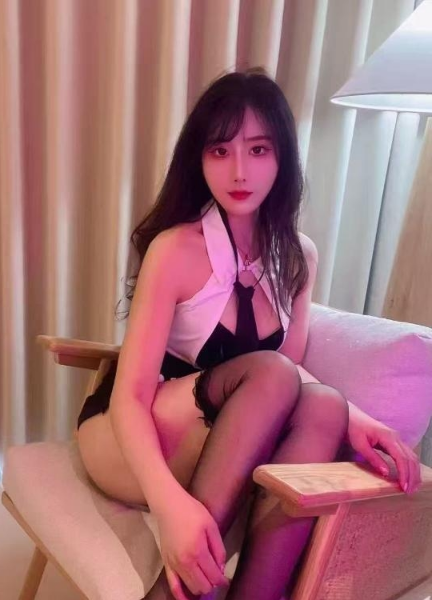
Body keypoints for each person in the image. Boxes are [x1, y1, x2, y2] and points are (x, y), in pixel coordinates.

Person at [76, 68, 421, 600]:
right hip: (129, 439)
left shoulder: (298, 257)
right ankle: (179, 591)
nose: (240, 171)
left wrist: (361, 420)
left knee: (324, 405)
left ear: (282, 158)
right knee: (273, 374)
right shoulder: (176, 249)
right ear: (199, 160)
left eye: (258, 150)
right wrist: (170, 508)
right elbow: (130, 398)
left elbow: (296, 372)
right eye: (220, 151)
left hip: (220, 441)